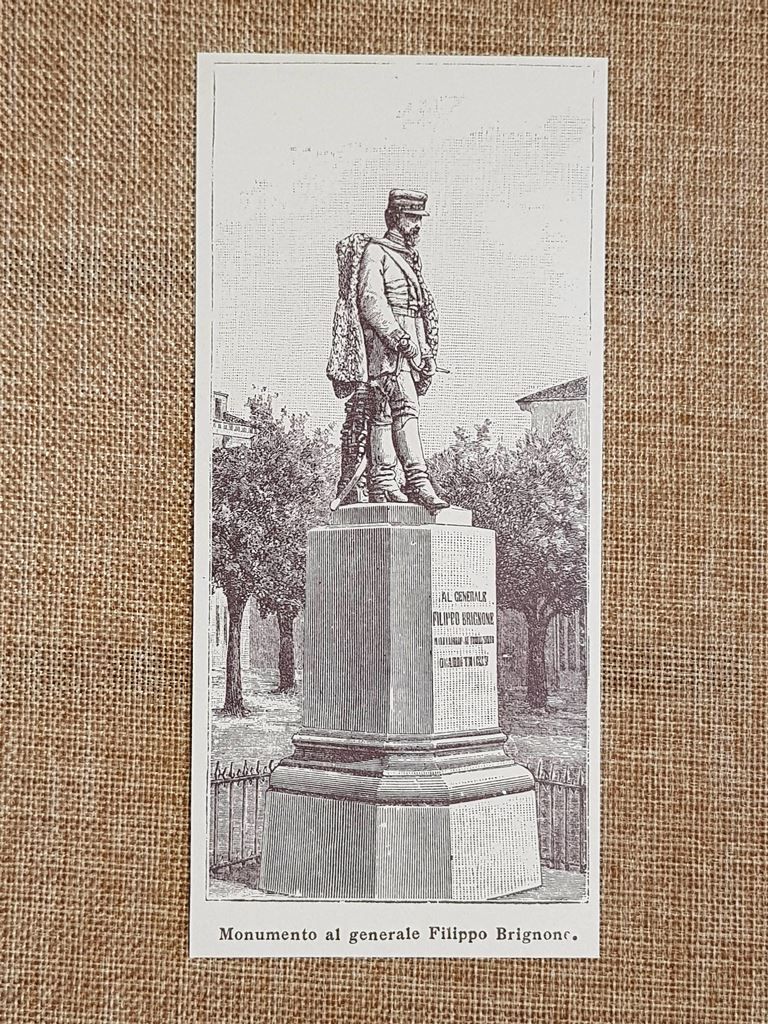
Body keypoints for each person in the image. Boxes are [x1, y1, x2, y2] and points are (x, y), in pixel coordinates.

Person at [327, 189, 448, 513]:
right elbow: (371, 301)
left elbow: (417, 311)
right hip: (385, 348)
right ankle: (417, 482)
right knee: (403, 409)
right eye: (411, 218)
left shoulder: (409, 257)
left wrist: (425, 351)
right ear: (394, 217)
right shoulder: (376, 252)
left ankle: (384, 481)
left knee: (385, 414)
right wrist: (398, 338)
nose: (417, 225)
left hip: (409, 345)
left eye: (419, 219)